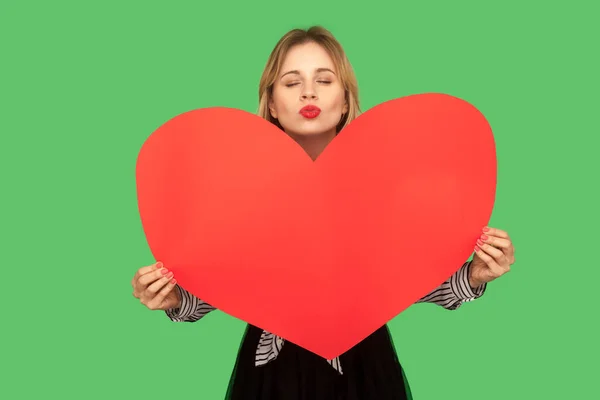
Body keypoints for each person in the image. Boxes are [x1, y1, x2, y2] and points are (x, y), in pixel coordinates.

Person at [131, 26, 517, 400]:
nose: (309, 92)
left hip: (363, 368)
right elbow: (223, 284)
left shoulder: (382, 183)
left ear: (346, 99)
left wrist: (473, 275)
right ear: (271, 103)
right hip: (271, 375)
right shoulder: (244, 189)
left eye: (325, 80)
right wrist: (174, 299)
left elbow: (407, 278)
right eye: (291, 82)